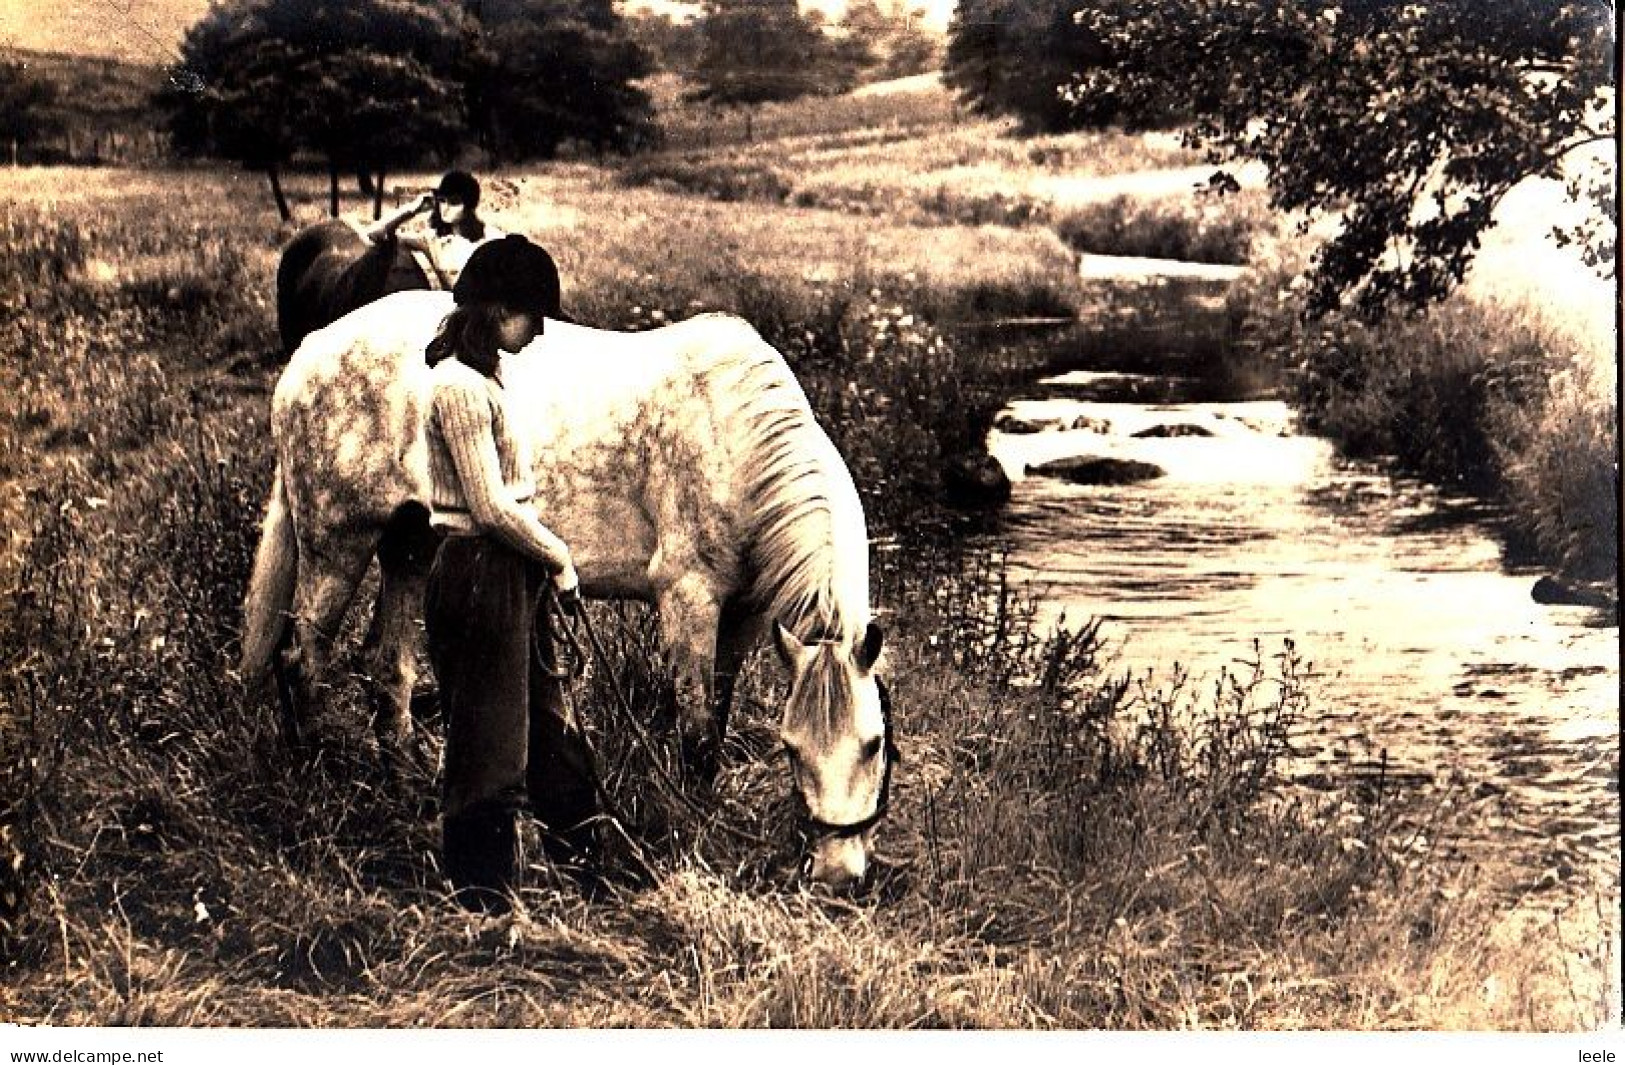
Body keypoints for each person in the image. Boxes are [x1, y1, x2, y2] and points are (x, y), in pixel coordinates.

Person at [422, 234, 598, 912]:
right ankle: (482, 902)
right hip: (478, 570)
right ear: (497, 312)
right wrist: (557, 556)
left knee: (551, 719)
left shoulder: (489, 377)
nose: (541, 327)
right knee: (488, 740)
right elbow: (490, 506)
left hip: (506, 568)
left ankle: (581, 869)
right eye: (532, 314)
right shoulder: (458, 388)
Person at [363, 170, 505, 292]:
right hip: (450, 311)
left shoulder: (493, 239)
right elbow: (373, 235)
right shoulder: (433, 239)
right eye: (442, 201)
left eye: (454, 202)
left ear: (470, 205)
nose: (446, 208)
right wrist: (412, 209)